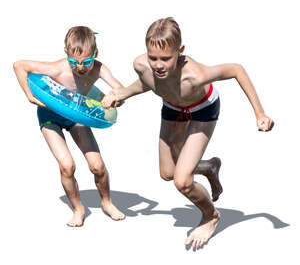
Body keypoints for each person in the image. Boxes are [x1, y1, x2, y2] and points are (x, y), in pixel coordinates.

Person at [102, 17, 274, 248]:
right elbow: (149, 82)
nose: (158, 64)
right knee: (167, 173)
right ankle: (209, 167)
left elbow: (236, 70)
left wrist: (260, 114)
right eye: (153, 57)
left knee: (182, 181)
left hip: (202, 109)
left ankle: (211, 216)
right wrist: (122, 93)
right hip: (173, 107)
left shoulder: (195, 74)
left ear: (180, 51)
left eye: (166, 58)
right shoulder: (142, 65)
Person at [14, 26, 125, 227]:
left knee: (97, 166)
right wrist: (29, 95)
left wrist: (114, 97)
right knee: (67, 166)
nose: (80, 67)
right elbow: (19, 65)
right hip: (50, 115)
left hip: (76, 114)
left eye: (87, 62)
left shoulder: (99, 69)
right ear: (67, 54)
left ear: (95, 55)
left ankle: (107, 202)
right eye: (74, 62)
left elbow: (120, 89)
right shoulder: (59, 67)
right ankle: (78, 209)